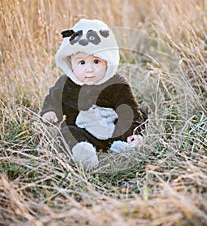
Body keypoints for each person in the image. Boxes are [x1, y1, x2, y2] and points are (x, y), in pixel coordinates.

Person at [40, 19, 147, 170]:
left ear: (107, 62)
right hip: (83, 131)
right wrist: (50, 111)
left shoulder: (117, 83)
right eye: (81, 63)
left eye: (96, 62)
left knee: (138, 117)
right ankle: (84, 153)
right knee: (66, 133)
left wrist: (132, 132)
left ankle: (123, 146)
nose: (89, 69)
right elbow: (54, 99)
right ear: (70, 62)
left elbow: (129, 107)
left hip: (114, 131)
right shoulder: (66, 84)